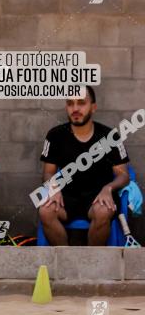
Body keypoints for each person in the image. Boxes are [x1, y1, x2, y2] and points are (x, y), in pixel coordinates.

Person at [38, 86, 130, 245]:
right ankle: (66, 260)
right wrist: (53, 187)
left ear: (93, 107)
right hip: (66, 196)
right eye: (70, 103)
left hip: (97, 196)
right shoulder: (55, 135)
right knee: (45, 211)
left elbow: (124, 175)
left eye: (81, 103)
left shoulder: (109, 136)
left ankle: (91, 263)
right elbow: (48, 172)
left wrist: (108, 188)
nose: (75, 109)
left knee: (103, 212)